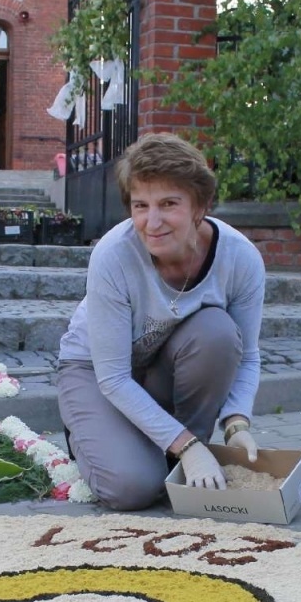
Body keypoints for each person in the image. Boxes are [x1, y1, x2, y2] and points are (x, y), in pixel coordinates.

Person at [55, 132, 266, 510]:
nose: (152, 222)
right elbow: (113, 378)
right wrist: (187, 446)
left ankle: (176, 452)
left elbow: (247, 355)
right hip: (95, 371)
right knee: (132, 488)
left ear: (200, 205)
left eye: (169, 203)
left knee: (217, 333)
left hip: (162, 365)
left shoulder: (240, 258)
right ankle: (94, 436)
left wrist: (237, 424)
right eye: (140, 205)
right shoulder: (113, 255)